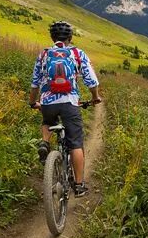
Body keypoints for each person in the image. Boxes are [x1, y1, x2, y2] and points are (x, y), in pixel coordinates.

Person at [30, 21, 102, 197]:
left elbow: (35, 83)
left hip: (48, 103)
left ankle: (45, 142)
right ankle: (78, 185)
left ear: (52, 37)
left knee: (47, 120)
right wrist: (95, 97)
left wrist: (33, 102)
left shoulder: (44, 54)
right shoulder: (77, 53)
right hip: (70, 103)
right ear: (70, 37)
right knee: (76, 143)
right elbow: (91, 81)